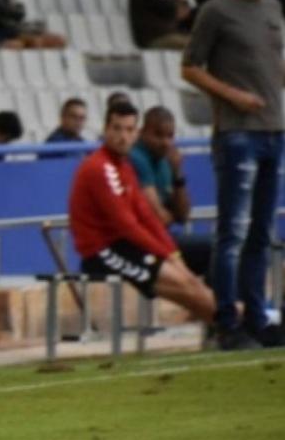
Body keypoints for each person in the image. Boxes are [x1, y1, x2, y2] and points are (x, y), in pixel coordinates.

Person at [182, 0, 285, 350]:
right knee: (233, 232)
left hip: (273, 128)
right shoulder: (216, 11)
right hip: (237, 132)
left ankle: (258, 318)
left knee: (262, 231)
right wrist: (232, 95)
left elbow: (272, 63)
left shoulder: (272, 8)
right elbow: (190, 66)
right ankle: (227, 321)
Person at [68, 101, 215, 324]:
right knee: (186, 286)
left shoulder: (124, 167)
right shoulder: (99, 167)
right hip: (102, 252)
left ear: (136, 133)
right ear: (105, 130)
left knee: (190, 284)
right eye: (116, 128)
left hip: (126, 246)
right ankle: (247, 321)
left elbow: (147, 217)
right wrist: (167, 255)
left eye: (128, 130)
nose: (122, 136)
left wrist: (173, 254)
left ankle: (233, 324)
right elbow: (127, 224)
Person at [129, 107, 209, 275]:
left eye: (170, 136)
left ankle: (212, 300)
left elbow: (183, 215)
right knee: (214, 247)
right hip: (139, 246)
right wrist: (168, 215)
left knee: (221, 248)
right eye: (158, 135)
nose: (165, 142)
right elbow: (159, 219)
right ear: (143, 132)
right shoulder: (136, 158)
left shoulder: (166, 162)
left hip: (162, 241)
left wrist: (178, 174)